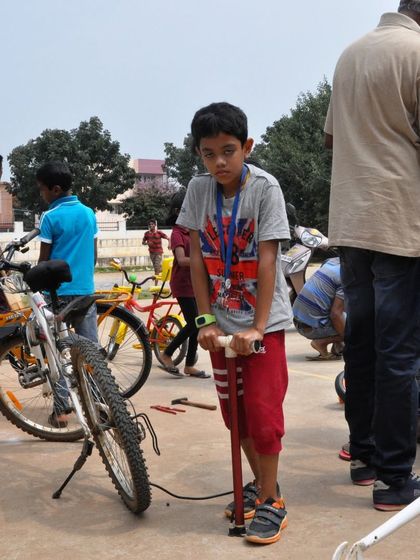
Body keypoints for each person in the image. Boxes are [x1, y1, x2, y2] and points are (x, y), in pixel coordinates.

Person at [177, 102, 291, 545]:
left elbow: (267, 261)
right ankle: (265, 486)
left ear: (247, 146)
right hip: (221, 327)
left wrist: (258, 328)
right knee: (236, 418)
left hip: (264, 324)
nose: (219, 162)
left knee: (264, 416)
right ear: (199, 154)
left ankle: (271, 501)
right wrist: (205, 320)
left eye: (228, 150)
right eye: (208, 153)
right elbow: (200, 264)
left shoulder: (265, 188)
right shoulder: (198, 190)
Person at [325, 0, 420, 511]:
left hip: (352, 221)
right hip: (399, 220)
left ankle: (363, 457)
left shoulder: (350, 55)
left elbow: (330, 137)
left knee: (361, 342)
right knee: (400, 352)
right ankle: (396, 480)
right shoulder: (418, 52)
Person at [37, 161, 99, 428]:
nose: (42, 195)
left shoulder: (50, 218)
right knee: (91, 350)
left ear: (56, 189)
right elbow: (94, 255)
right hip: (85, 291)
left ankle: (61, 411)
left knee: (57, 351)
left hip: (57, 294)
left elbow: (44, 261)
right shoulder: (88, 213)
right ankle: (99, 403)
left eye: (42, 190)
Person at [158, 189, 210, 379]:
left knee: (199, 322)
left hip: (196, 284)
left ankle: (189, 365)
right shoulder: (177, 233)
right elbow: (181, 260)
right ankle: (167, 353)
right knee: (195, 323)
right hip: (182, 284)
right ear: (180, 210)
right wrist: (204, 261)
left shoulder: (193, 232)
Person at [292, 257, 345, 361]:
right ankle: (321, 343)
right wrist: (348, 337)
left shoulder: (331, 262)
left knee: (340, 306)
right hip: (311, 327)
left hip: (298, 321)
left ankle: (338, 346)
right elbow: (335, 314)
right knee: (358, 325)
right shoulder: (347, 276)